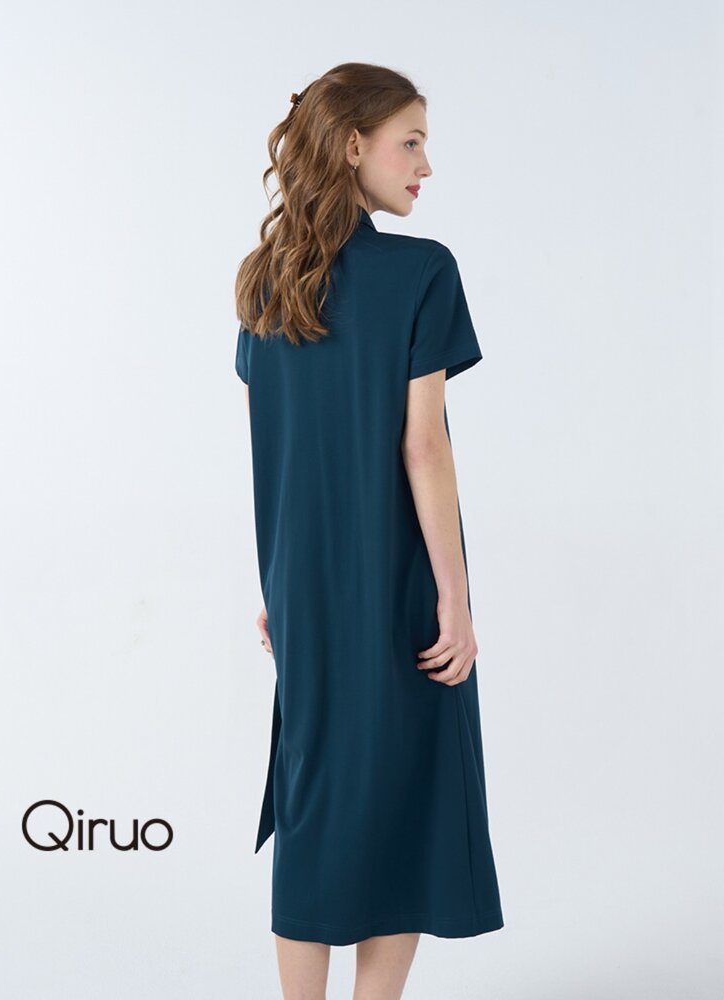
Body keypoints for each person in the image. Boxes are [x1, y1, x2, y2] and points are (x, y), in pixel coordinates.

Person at [233, 62, 503, 1000]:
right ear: (354, 146)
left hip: (303, 590)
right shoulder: (422, 272)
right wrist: (455, 599)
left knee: (312, 805)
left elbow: (278, 449)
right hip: (398, 587)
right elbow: (422, 447)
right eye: (411, 142)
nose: (426, 165)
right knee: (405, 802)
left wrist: (279, 587)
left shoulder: (265, 285)